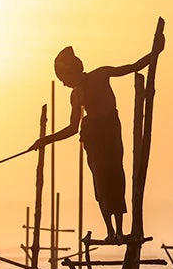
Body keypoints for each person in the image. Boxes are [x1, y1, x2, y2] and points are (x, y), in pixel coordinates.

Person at [30, 34, 165, 241]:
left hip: (110, 130)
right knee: (100, 182)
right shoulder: (76, 95)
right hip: (93, 137)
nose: (65, 84)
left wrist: (155, 53)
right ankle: (110, 231)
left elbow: (132, 67)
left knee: (115, 178)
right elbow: (72, 128)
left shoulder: (101, 75)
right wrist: (45, 140)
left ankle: (119, 231)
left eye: (65, 79)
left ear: (74, 71)